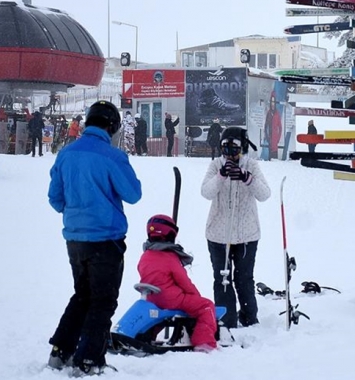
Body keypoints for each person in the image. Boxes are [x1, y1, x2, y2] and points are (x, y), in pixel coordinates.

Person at [46, 100, 142, 376]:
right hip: (106, 239)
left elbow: (55, 198)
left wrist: (77, 211)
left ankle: (61, 351)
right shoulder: (112, 156)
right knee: (102, 300)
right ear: (111, 127)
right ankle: (89, 360)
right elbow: (133, 194)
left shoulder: (66, 154)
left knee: (83, 295)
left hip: (75, 239)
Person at [200, 127, 271, 332]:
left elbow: (265, 194)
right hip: (218, 234)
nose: (230, 154)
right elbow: (206, 192)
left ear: (243, 148)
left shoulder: (251, 165)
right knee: (222, 278)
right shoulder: (216, 165)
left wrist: (247, 178)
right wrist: (221, 176)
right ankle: (226, 320)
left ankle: (249, 318)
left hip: (246, 234)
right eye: (225, 148)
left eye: (234, 148)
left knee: (244, 278)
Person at [137, 214, 218, 352]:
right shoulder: (169, 257)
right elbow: (184, 282)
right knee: (206, 306)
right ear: (170, 234)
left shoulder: (145, 255)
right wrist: (195, 296)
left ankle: (146, 336)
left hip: (151, 298)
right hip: (171, 299)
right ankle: (204, 342)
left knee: (158, 316)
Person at [263, 92, 282, 160]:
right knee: (270, 156)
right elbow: (266, 126)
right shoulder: (269, 113)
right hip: (270, 138)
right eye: (272, 102)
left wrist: (278, 138)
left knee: (275, 156)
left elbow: (280, 127)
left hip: (275, 138)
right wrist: (267, 136)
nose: (272, 104)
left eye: (274, 102)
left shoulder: (277, 113)